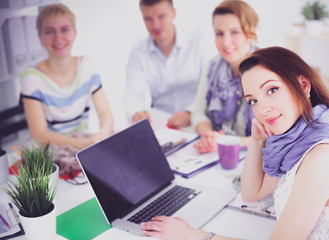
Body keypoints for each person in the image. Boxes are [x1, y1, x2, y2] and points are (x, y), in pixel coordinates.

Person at [140, 47, 329, 239]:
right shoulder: (297, 141)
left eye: (272, 90)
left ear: (303, 84)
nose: (263, 109)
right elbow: (251, 193)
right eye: (253, 100)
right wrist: (257, 142)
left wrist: (192, 235)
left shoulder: (322, 157)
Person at [20, 4, 114, 175]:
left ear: (74, 34)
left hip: (83, 144)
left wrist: (103, 136)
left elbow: (105, 113)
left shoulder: (87, 66)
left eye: (64, 29)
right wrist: (84, 145)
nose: (58, 38)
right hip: (50, 155)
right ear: (40, 38)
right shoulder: (31, 78)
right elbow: (40, 134)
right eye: (49, 31)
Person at [124, 0, 212, 128]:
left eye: (161, 16)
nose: (155, 25)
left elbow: (211, 88)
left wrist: (190, 112)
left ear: (173, 14)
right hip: (161, 122)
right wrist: (136, 113)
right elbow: (133, 94)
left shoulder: (199, 41)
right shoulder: (138, 52)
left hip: (198, 119)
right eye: (148, 18)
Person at [191, 0, 258, 154]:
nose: (226, 42)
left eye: (235, 32)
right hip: (217, 153)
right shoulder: (212, 65)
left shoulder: (268, 69)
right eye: (219, 33)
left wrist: (228, 143)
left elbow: (276, 132)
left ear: (251, 32)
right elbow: (198, 112)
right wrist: (208, 135)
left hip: (255, 156)